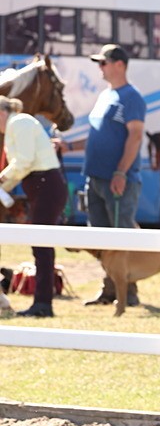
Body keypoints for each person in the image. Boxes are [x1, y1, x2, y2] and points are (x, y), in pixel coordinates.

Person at [82, 43, 145, 307]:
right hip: (95, 178)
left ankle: (128, 293)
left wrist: (121, 171)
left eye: (103, 62)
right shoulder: (105, 96)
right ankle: (109, 289)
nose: (100, 68)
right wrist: (69, 146)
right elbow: (98, 135)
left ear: (120, 64)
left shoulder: (131, 97)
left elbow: (135, 135)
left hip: (118, 180)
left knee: (120, 236)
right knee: (101, 238)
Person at [0, 96, 68, 317]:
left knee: (41, 245)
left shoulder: (19, 123)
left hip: (45, 186)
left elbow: (24, 161)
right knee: (41, 245)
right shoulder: (16, 125)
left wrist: (2, 180)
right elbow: (22, 165)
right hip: (42, 186)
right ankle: (42, 302)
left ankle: (43, 304)